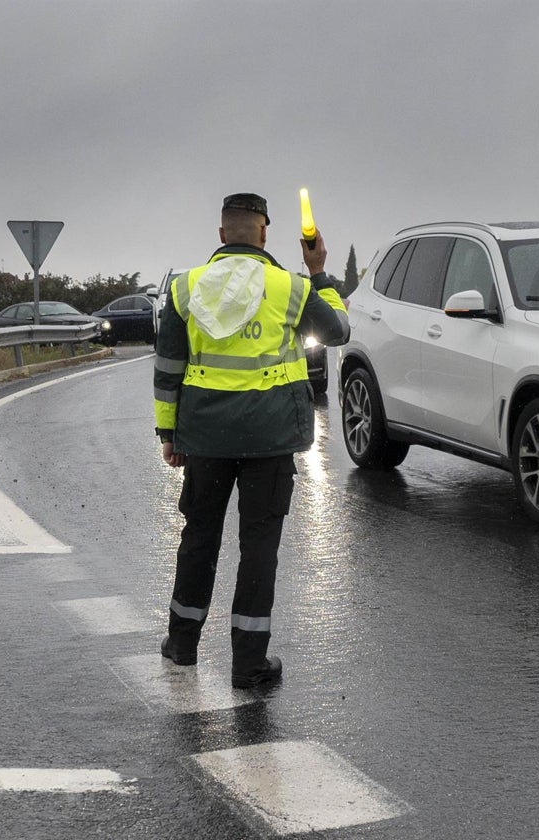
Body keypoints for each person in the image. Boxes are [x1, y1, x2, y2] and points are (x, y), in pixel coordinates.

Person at [153, 191, 349, 689]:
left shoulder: (184, 288)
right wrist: (319, 271)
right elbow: (338, 331)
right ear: (265, 233)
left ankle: (182, 645)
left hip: (205, 438)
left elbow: (168, 369)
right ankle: (248, 664)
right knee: (259, 547)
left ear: (221, 234)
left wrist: (168, 433)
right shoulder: (290, 287)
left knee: (199, 537)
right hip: (269, 438)